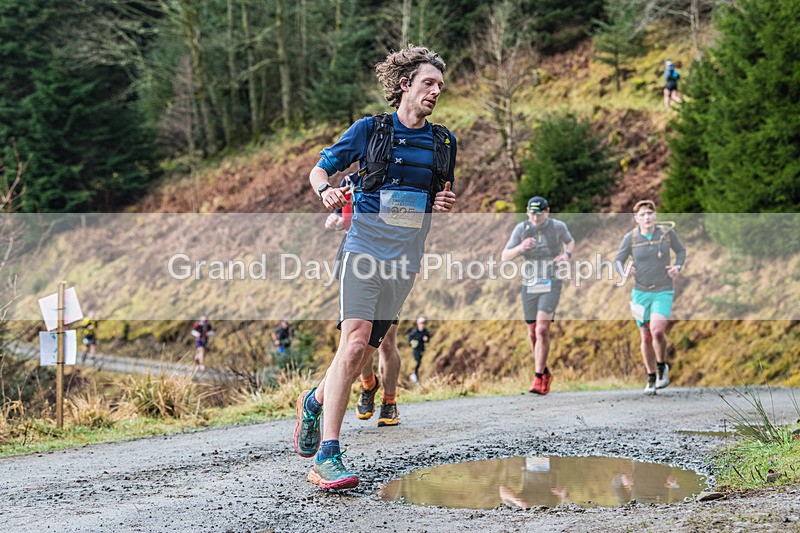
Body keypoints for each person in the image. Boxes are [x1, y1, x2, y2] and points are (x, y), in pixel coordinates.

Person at [294, 44, 457, 491]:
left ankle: (314, 401)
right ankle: (328, 455)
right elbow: (319, 169)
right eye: (428, 83)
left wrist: (440, 203)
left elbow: (436, 196)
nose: (435, 91)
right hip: (363, 249)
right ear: (405, 84)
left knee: (365, 352)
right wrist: (325, 190)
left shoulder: (443, 142)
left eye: (440, 86)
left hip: (405, 259)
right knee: (355, 342)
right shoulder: (370, 130)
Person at [325, 203, 403, 428]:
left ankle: (389, 401)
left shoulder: (399, 174)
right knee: (359, 338)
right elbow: (337, 214)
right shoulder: (350, 181)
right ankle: (368, 384)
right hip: (358, 264)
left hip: (394, 262)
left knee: (387, 341)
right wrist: (336, 220)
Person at [501, 196, 574, 396]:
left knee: (542, 329)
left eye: (539, 213)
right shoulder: (522, 229)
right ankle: (544, 371)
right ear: (527, 212)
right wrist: (521, 247)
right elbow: (504, 256)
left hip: (552, 281)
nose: (535, 217)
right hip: (529, 284)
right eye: (532, 213)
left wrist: (566, 256)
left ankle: (538, 376)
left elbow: (570, 242)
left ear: (547, 212)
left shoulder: (557, 226)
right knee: (532, 333)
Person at [614, 200, 686, 395]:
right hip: (640, 293)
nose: (647, 217)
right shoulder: (631, 238)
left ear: (655, 215)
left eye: (650, 213)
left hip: (663, 290)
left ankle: (662, 365)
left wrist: (677, 267)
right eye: (642, 214)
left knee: (656, 330)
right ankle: (651, 376)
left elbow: (681, 251)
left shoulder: (666, 234)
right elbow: (617, 262)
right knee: (645, 336)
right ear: (636, 218)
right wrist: (625, 270)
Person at [406, 316, 430, 383]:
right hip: (416, 349)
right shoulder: (415, 331)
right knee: (418, 361)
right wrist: (411, 342)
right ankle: (414, 375)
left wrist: (426, 339)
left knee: (421, 362)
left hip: (422, 349)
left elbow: (428, 339)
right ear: (418, 323)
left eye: (423, 323)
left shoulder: (425, 332)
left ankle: (417, 376)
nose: (422, 324)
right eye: (421, 323)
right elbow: (409, 338)